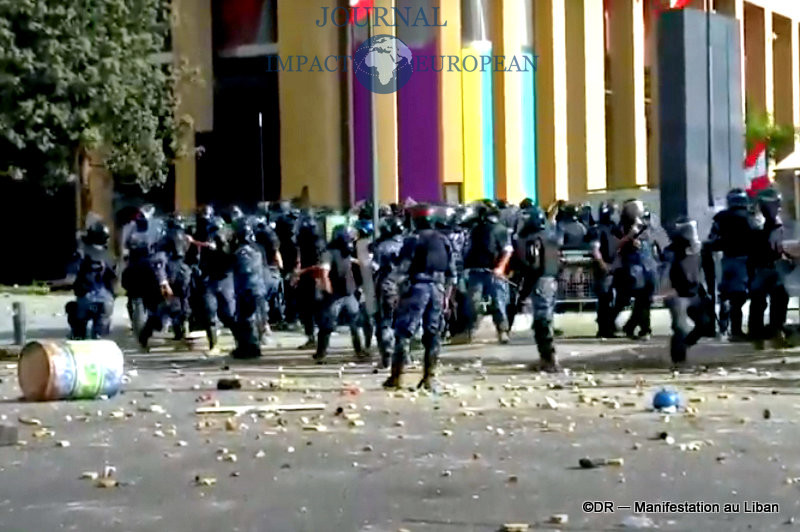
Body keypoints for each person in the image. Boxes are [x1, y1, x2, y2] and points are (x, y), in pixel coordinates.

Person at [383, 204, 456, 391]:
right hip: (438, 290)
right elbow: (452, 273)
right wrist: (446, 296)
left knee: (404, 333)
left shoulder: (413, 240)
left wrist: (392, 288)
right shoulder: (444, 240)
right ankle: (429, 378)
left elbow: (402, 267)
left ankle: (396, 377)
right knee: (433, 334)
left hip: (417, 288)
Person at [515, 205, 562, 372]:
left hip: (540, 282)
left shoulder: (533, 239)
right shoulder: (550, 237)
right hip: (551, 281)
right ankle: (548, 358)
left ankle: (549, 360)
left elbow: (533, 265)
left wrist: (524, 291)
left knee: (541, 322)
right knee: (545, 320)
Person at [703, 188, 755, 341]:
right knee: (738, 297)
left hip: (725, 260)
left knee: (725, 295)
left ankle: (723, 328)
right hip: (743, 261)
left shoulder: (721, 217)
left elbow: (712, 237)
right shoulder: (749, 217)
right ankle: (736, 331)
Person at [312, 225, 367, 362]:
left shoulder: (345, 252)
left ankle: (359, 351)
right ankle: (321, 353)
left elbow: (353, 261)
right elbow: (324, 272)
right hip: (335, 295)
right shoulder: (329, 252)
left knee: (355, 324)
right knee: (328, 325)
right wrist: (328, 289)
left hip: (348, 293)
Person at [664, 218, 713, 366]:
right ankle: (678, 359)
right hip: (677, 294)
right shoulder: (671, 251)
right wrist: (665, 289)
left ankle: (684, 346)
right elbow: (664, 271)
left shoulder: (700, 250)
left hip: (695, 293)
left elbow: (704, 271)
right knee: (680, 327)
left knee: (704, 324)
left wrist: (707, 291)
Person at [186, 205, 235, 352]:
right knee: (209, 313)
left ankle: (242, 340)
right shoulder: (205, 232)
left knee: (229, 314)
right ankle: (213, 344)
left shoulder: (227, 241)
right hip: (209, 279)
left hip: (225, 279)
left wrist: (194, 242)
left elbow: (214, 246)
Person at [463, 202, 513, 344]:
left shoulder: (499, 230)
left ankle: (502, 330)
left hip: (494, 272)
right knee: (473, 303)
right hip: (476, 271)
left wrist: (500, 268)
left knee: (499, 302)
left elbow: (507, 250)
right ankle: (470, 330)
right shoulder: (476, 230)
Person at [748, 188, 789, 348]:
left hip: (767, 265)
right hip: (764, 265)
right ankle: (767, 334)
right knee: (766, 299)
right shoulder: (760, 220)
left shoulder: (760, 219)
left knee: (772, 299)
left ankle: (768, 333)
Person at [611, 199, 657, 340]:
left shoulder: (646, 226)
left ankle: (632, 326)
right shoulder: (622, 227)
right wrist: (631, 235)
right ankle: (643, 329)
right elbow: (617, 245)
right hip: (632, 267)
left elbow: (652, 242)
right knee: (636, 298)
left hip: (647, 265)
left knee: (646, 299)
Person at [67, 221, 117, 339]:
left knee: (76, 320)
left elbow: (71, 275)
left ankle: (78, 336)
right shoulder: (108, 255)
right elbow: (115, 278)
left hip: (85, 298)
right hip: (106, 300)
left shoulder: (82, 252)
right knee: (101, 336)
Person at [230, 219, 267, 359]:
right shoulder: (258, 248)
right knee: (252, 318)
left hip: (247, 288)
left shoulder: (242, 251)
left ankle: (251, 349)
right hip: (258, 287)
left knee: (247, 319)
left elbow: (245, 269)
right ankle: (248, 347)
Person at [372, 216, 406, 368]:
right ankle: (405, 356)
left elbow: (374, 267)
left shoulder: (382, 247)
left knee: (385, 321)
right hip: (405, 286)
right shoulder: (407, 243)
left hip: (386, 286)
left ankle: (387, 355)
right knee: (403, 322)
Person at [294, 212, 326, 349]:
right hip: (310, 278)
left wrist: (301, 272)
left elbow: (319, 264)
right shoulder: (316, 242)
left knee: (313, 309)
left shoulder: (315, 244)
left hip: (313, 278)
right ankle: (314, 337)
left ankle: (315, 338)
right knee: (309, 309)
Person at [589, 201, 619, 338]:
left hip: (616, 267)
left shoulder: (615, 228)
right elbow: (595, 250)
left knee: (616, 298)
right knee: (604, 299)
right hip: (604, 269)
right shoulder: (598, 229)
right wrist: (603, 265)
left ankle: (610, 325)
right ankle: (604, 328)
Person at [159, 213, 192, 340]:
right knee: (184, 298)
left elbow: (159, 252)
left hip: (171, 267)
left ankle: (178, 328)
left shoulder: (166, 236)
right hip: (184, 268)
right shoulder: (184, 236)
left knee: (173, 300)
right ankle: (183, 325)